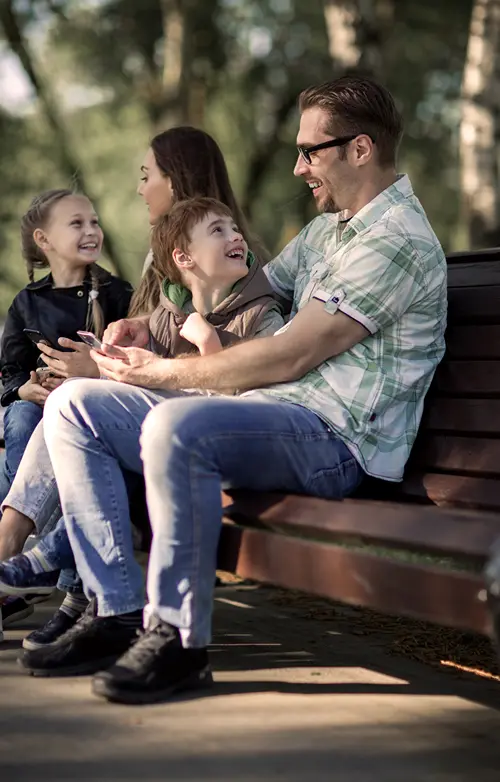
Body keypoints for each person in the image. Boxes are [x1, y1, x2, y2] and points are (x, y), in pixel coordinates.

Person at [15, 78, 447, 706]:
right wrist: (153, 323)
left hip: (338, 440)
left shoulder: (395, 241)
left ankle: (179, 642)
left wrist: (157, 373)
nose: (300, 166)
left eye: (311, 152)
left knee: (174, 426)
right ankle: (114, 612)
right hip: (275, 416)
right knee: (76, 405)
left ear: (359, 150)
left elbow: (291, 352)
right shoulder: (333, 231)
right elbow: (243, 288)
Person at [0, 127, 274, 645]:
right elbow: (156, 347)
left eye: (148, 176)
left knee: (79, 411)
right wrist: (121, 346)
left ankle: (50, 566)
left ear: (176, 182)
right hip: (160, 411)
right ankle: (41, 562)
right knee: (53, 410)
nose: (140, 188)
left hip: (196, 426)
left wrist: (103, 369)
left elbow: (237, 376)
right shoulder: (171, 277)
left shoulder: (241, 278)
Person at [0, 188, 133, 628]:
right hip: (38, 409)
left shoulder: (116, 293)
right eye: (76, 224)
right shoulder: (27, 303)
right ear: (44, 240)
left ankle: (47, 570)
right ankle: (34, 541)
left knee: (65, 430)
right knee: (19, 418)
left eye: (94, 221)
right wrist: (26, 390)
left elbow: (131, 362)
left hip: (89, 408)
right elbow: (9, 373)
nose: (91, 230)